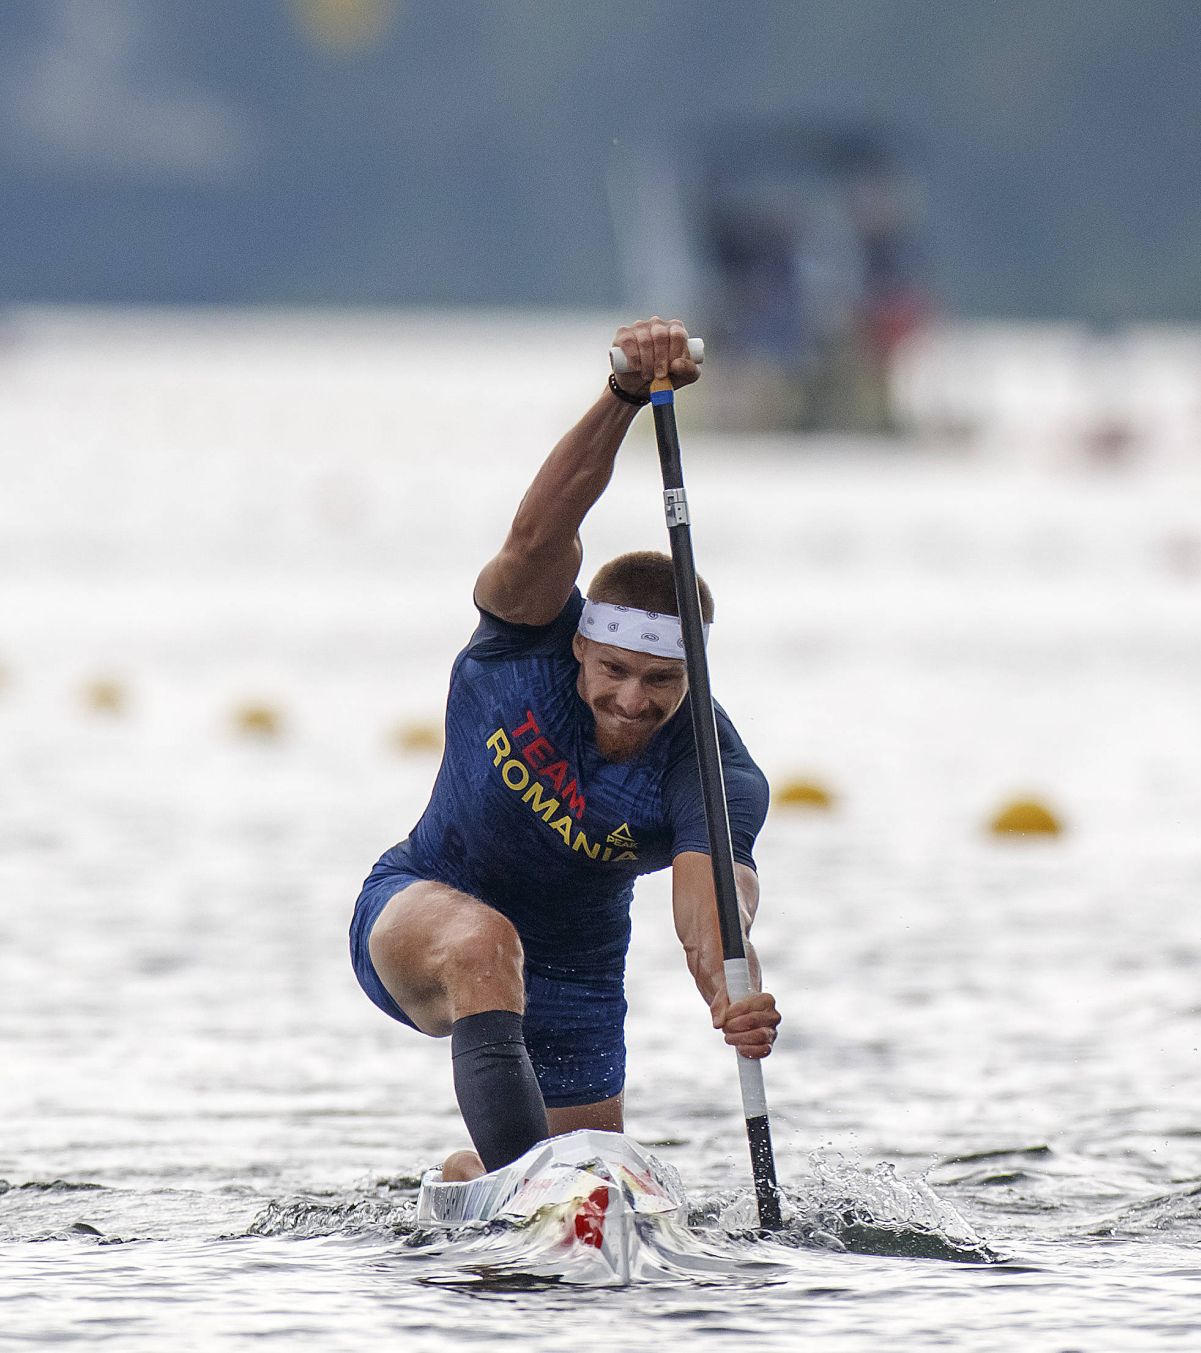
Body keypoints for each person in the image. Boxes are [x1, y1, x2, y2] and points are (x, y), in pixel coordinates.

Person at [350, 317, 781, 1181]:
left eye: (661, 682)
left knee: (597, 1182)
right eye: (614, 669)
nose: (632, 699)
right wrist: (624, 396)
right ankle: (519, 1192)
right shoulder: (523, 639)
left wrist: (733, 986)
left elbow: (710, 903)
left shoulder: (710, 765)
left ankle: (472, 1183)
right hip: (422, 908)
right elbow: (542, 533)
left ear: (692, 679)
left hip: (579, 983)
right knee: (483, 942)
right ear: (581, 644)